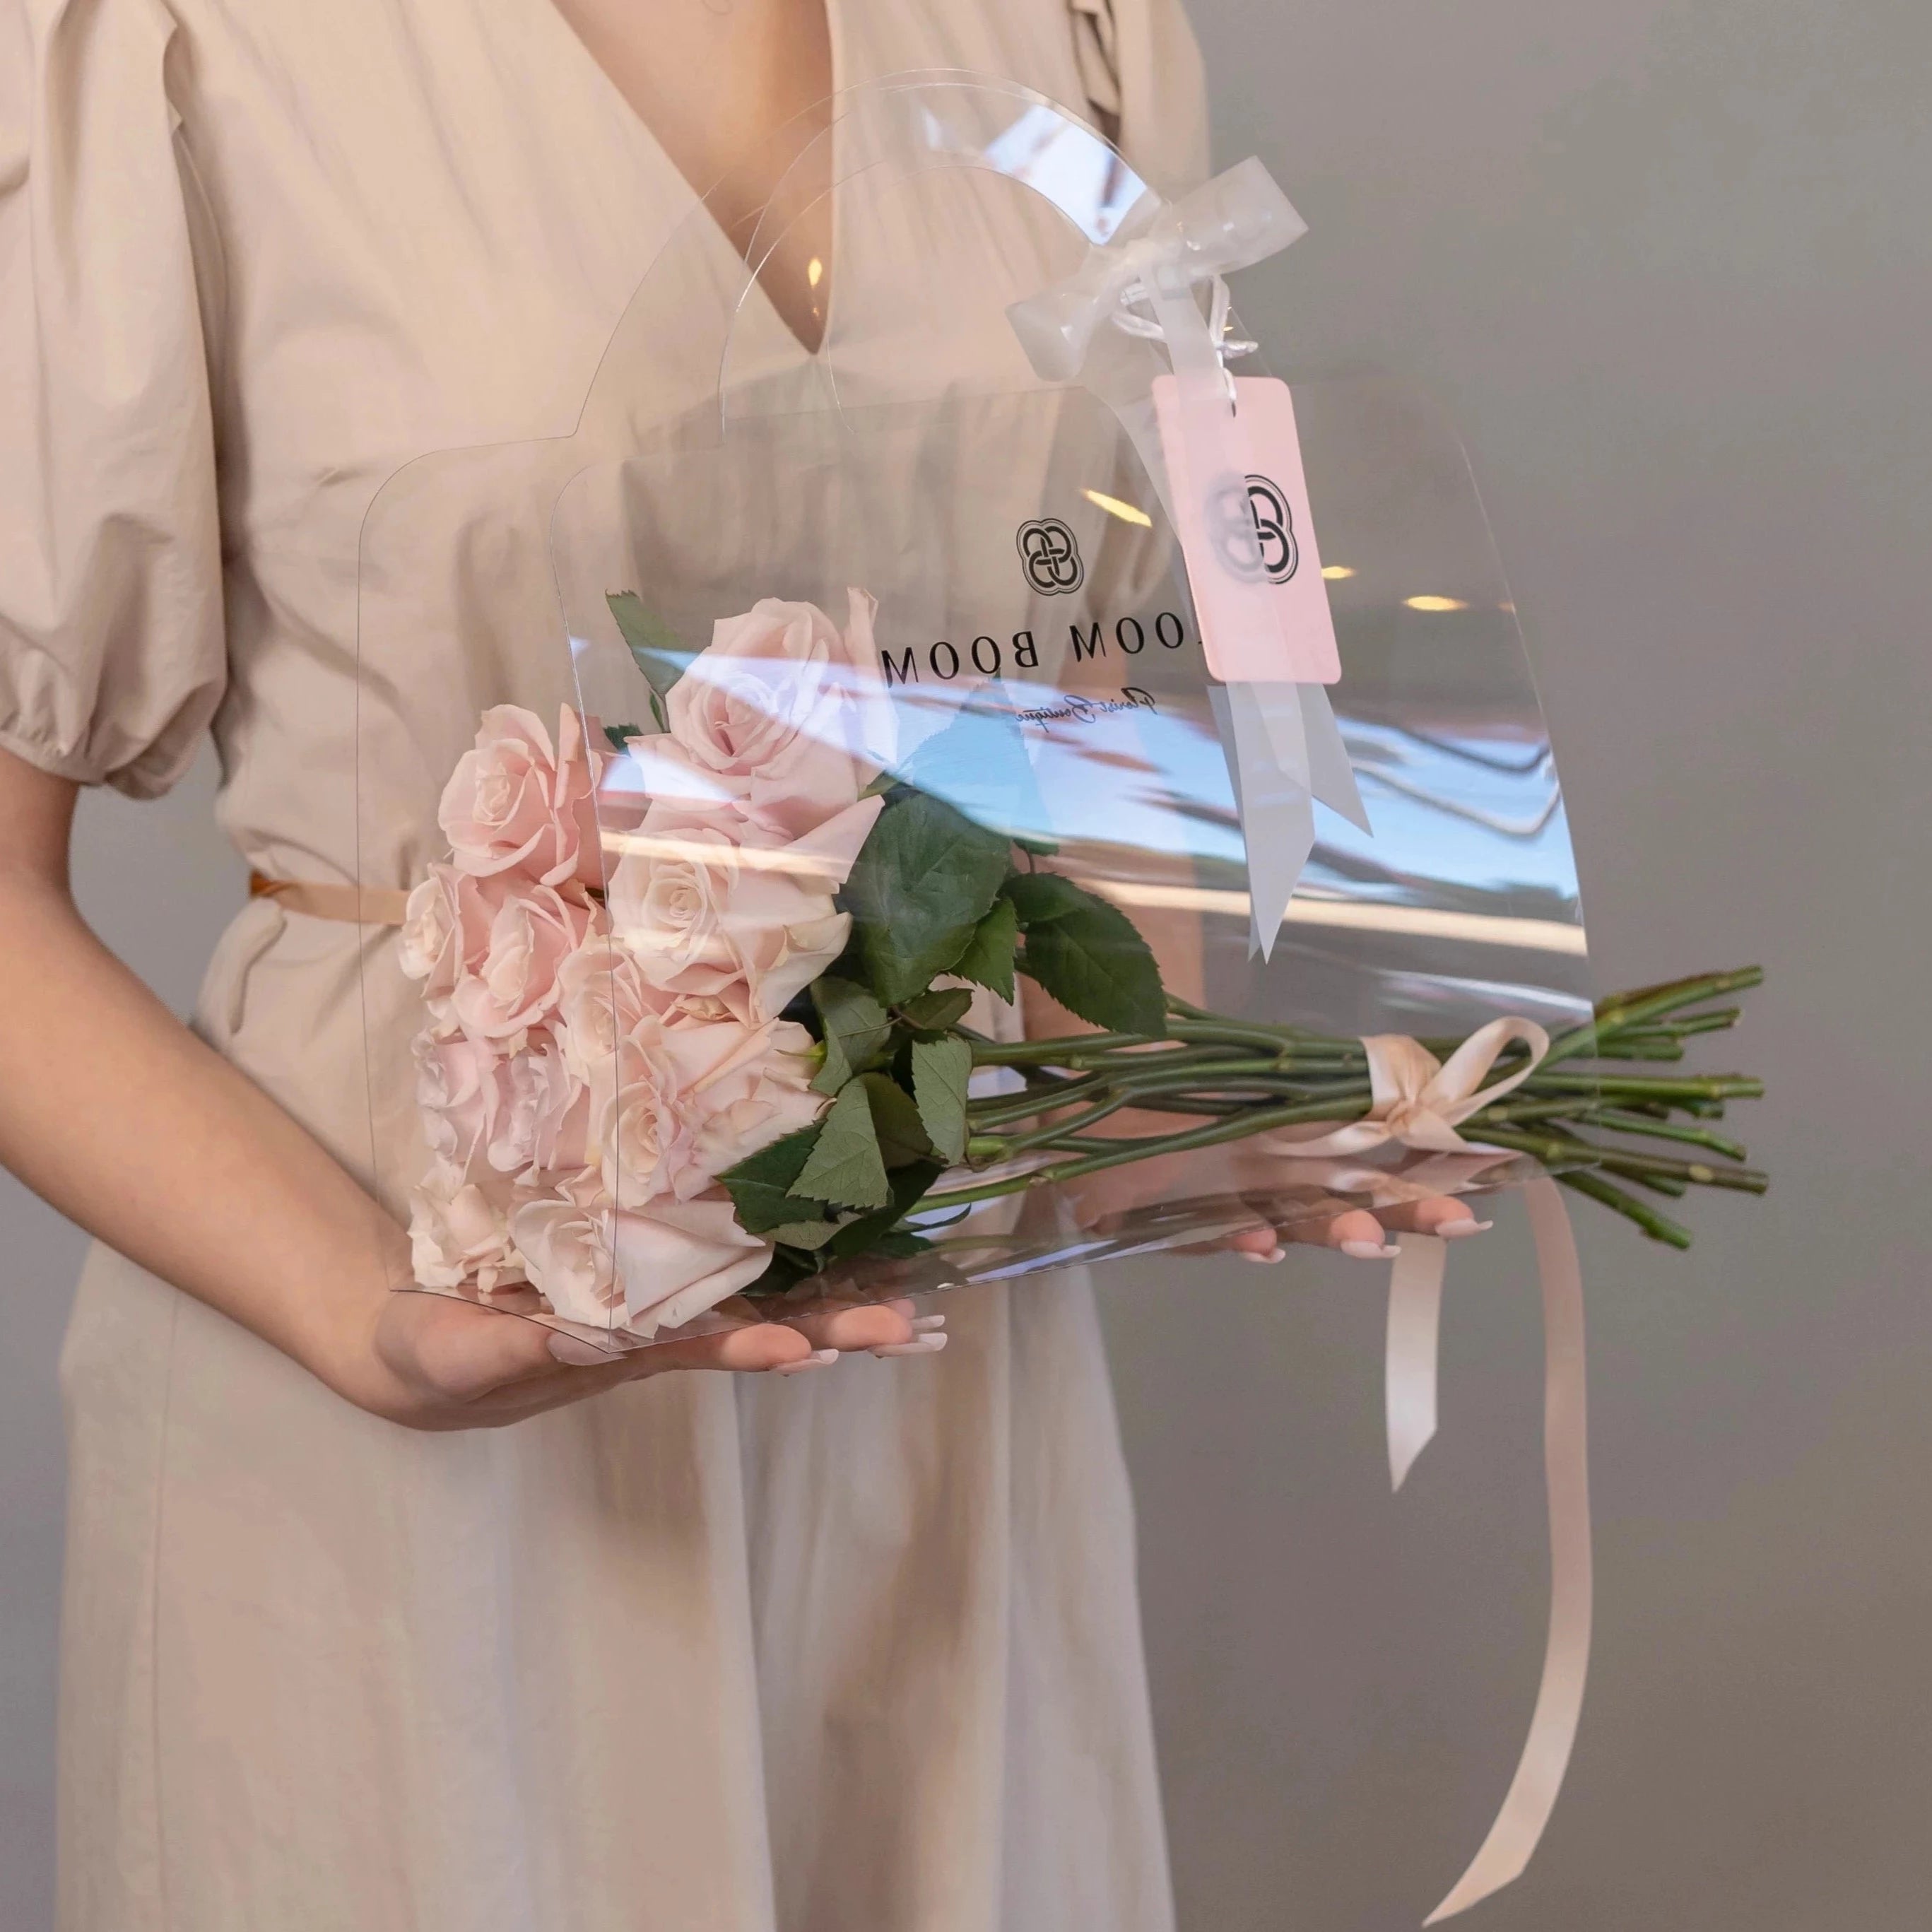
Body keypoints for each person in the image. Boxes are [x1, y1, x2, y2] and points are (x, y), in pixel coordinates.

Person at [0, 1, 1484, 1925]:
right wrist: (368, 1310)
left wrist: (1140, 1109)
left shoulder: (1067, 28)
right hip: (412, 1312)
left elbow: (1067, 716)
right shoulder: (167, 43)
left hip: (931, 1387)